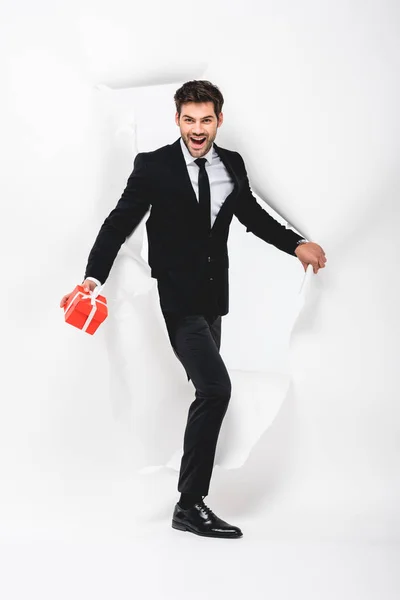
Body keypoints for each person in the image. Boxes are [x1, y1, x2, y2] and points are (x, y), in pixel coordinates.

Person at [60, 80, 327, 539]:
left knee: (206, 393)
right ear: (177, 119)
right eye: (189, 119)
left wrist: (296, 244)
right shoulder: (154, 167)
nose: (197, 129)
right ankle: (189, 504)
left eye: (206, 119)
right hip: (178, 302)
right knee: (217, 389)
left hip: (214, 300)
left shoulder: (231, 166)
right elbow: (117, 224)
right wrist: (92, 277)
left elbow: (252, 217)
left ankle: (190, 494)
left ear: (219, 120)